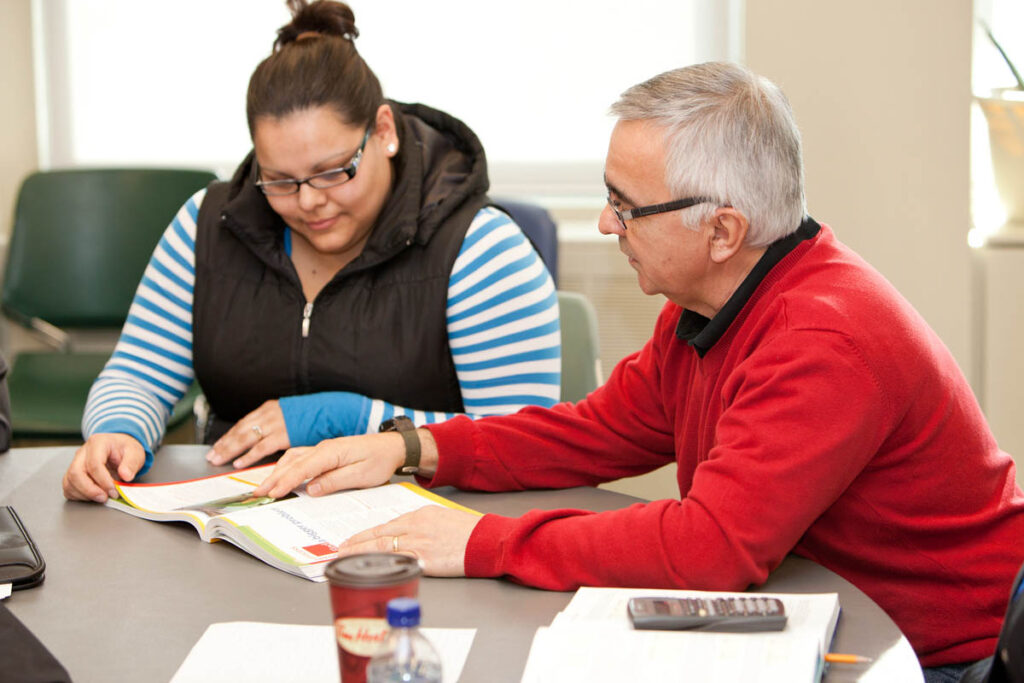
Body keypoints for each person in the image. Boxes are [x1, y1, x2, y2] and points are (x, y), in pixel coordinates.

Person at [253, 62, 1024, 680]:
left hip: (935, 653)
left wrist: (482, 540)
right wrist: (415, 448)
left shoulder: (823, 338)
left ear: (722, 229)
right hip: (829, 610)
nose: (604, 224)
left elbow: (708, 548)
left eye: (626, 206)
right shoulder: (709, 299)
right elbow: (598, 431)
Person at [61, 0, 560, 504]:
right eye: (279, 180)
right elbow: (138, 372)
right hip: (241, 521)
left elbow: (519, 442)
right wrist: (117, 430)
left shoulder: (481, 249)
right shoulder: (207, 225)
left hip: (421, 525)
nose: (307, 201)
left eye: (331, 171)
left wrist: (351, 419)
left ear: (382, 132)